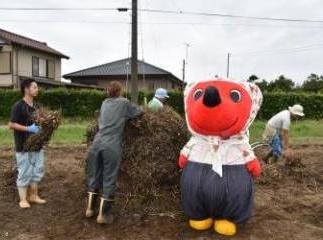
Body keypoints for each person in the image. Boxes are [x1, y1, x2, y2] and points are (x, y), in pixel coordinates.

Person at [85, 81, 143, 224]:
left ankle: (90, 210)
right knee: (109, 177)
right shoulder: (123, 102)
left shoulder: (104, 102)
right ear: (119, 91)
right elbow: (138, 112)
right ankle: (103, 215)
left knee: (95, 175)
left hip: (96, 143)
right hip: (111, 145)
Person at [8, 79, 46, 209]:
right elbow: (11, 124)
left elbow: (41, 122)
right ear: (26, 89)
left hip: (37, 145)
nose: (37, 89)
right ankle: (23, 199)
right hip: (23, 146)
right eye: (34, 87)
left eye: (37, 87)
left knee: (37, 170)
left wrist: (44, 126)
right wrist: (29, 128)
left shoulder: (37, 106)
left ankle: (33, 196)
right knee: (25, 171)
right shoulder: (18, 106)